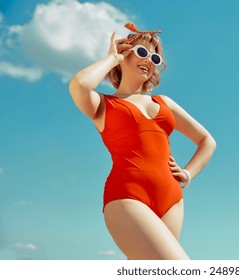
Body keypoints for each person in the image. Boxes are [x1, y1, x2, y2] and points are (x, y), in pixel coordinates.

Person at [68, 22, 216, 260]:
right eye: (142, 52)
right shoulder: (104, 105)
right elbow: (79, 84)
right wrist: (111, 58)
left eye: (155, 58)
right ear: (124, 54)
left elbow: (207, 140)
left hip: (172, 201)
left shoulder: (164, 103)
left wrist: (187, 174)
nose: (149, 60)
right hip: (127, 197)